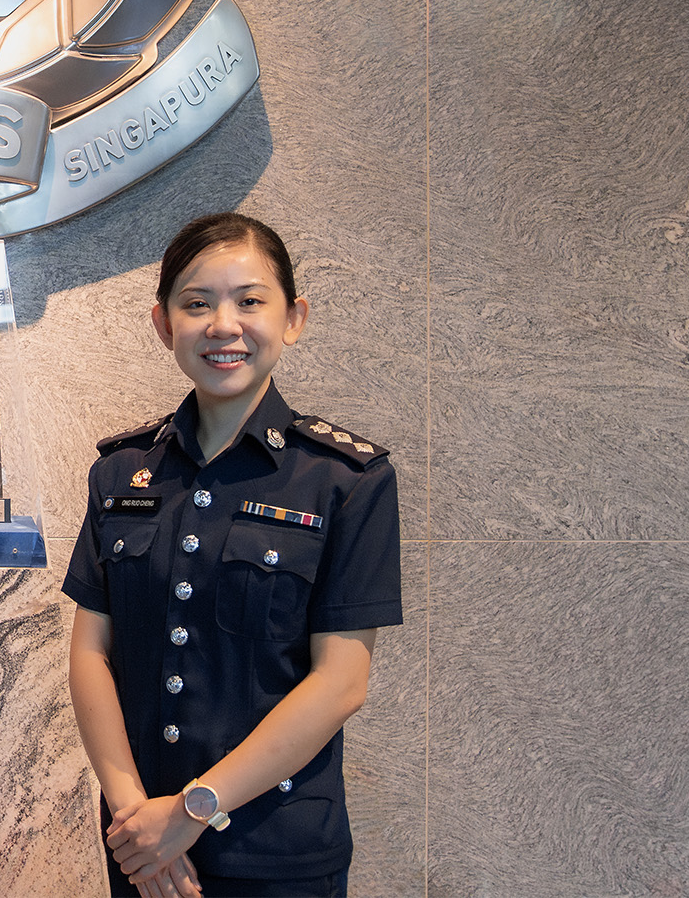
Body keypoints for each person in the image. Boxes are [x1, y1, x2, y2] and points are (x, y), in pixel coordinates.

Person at [63, 212, 402, 898]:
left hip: (276, 851)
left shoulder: (346, 479)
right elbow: (90, 652)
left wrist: (193, 810)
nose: (223, 324)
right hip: (145, 849)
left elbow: (341, 682)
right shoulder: (122, 472)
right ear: (163, 324)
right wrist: (136, 817)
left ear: (293, 316)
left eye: (250, 300)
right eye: (197, 302)